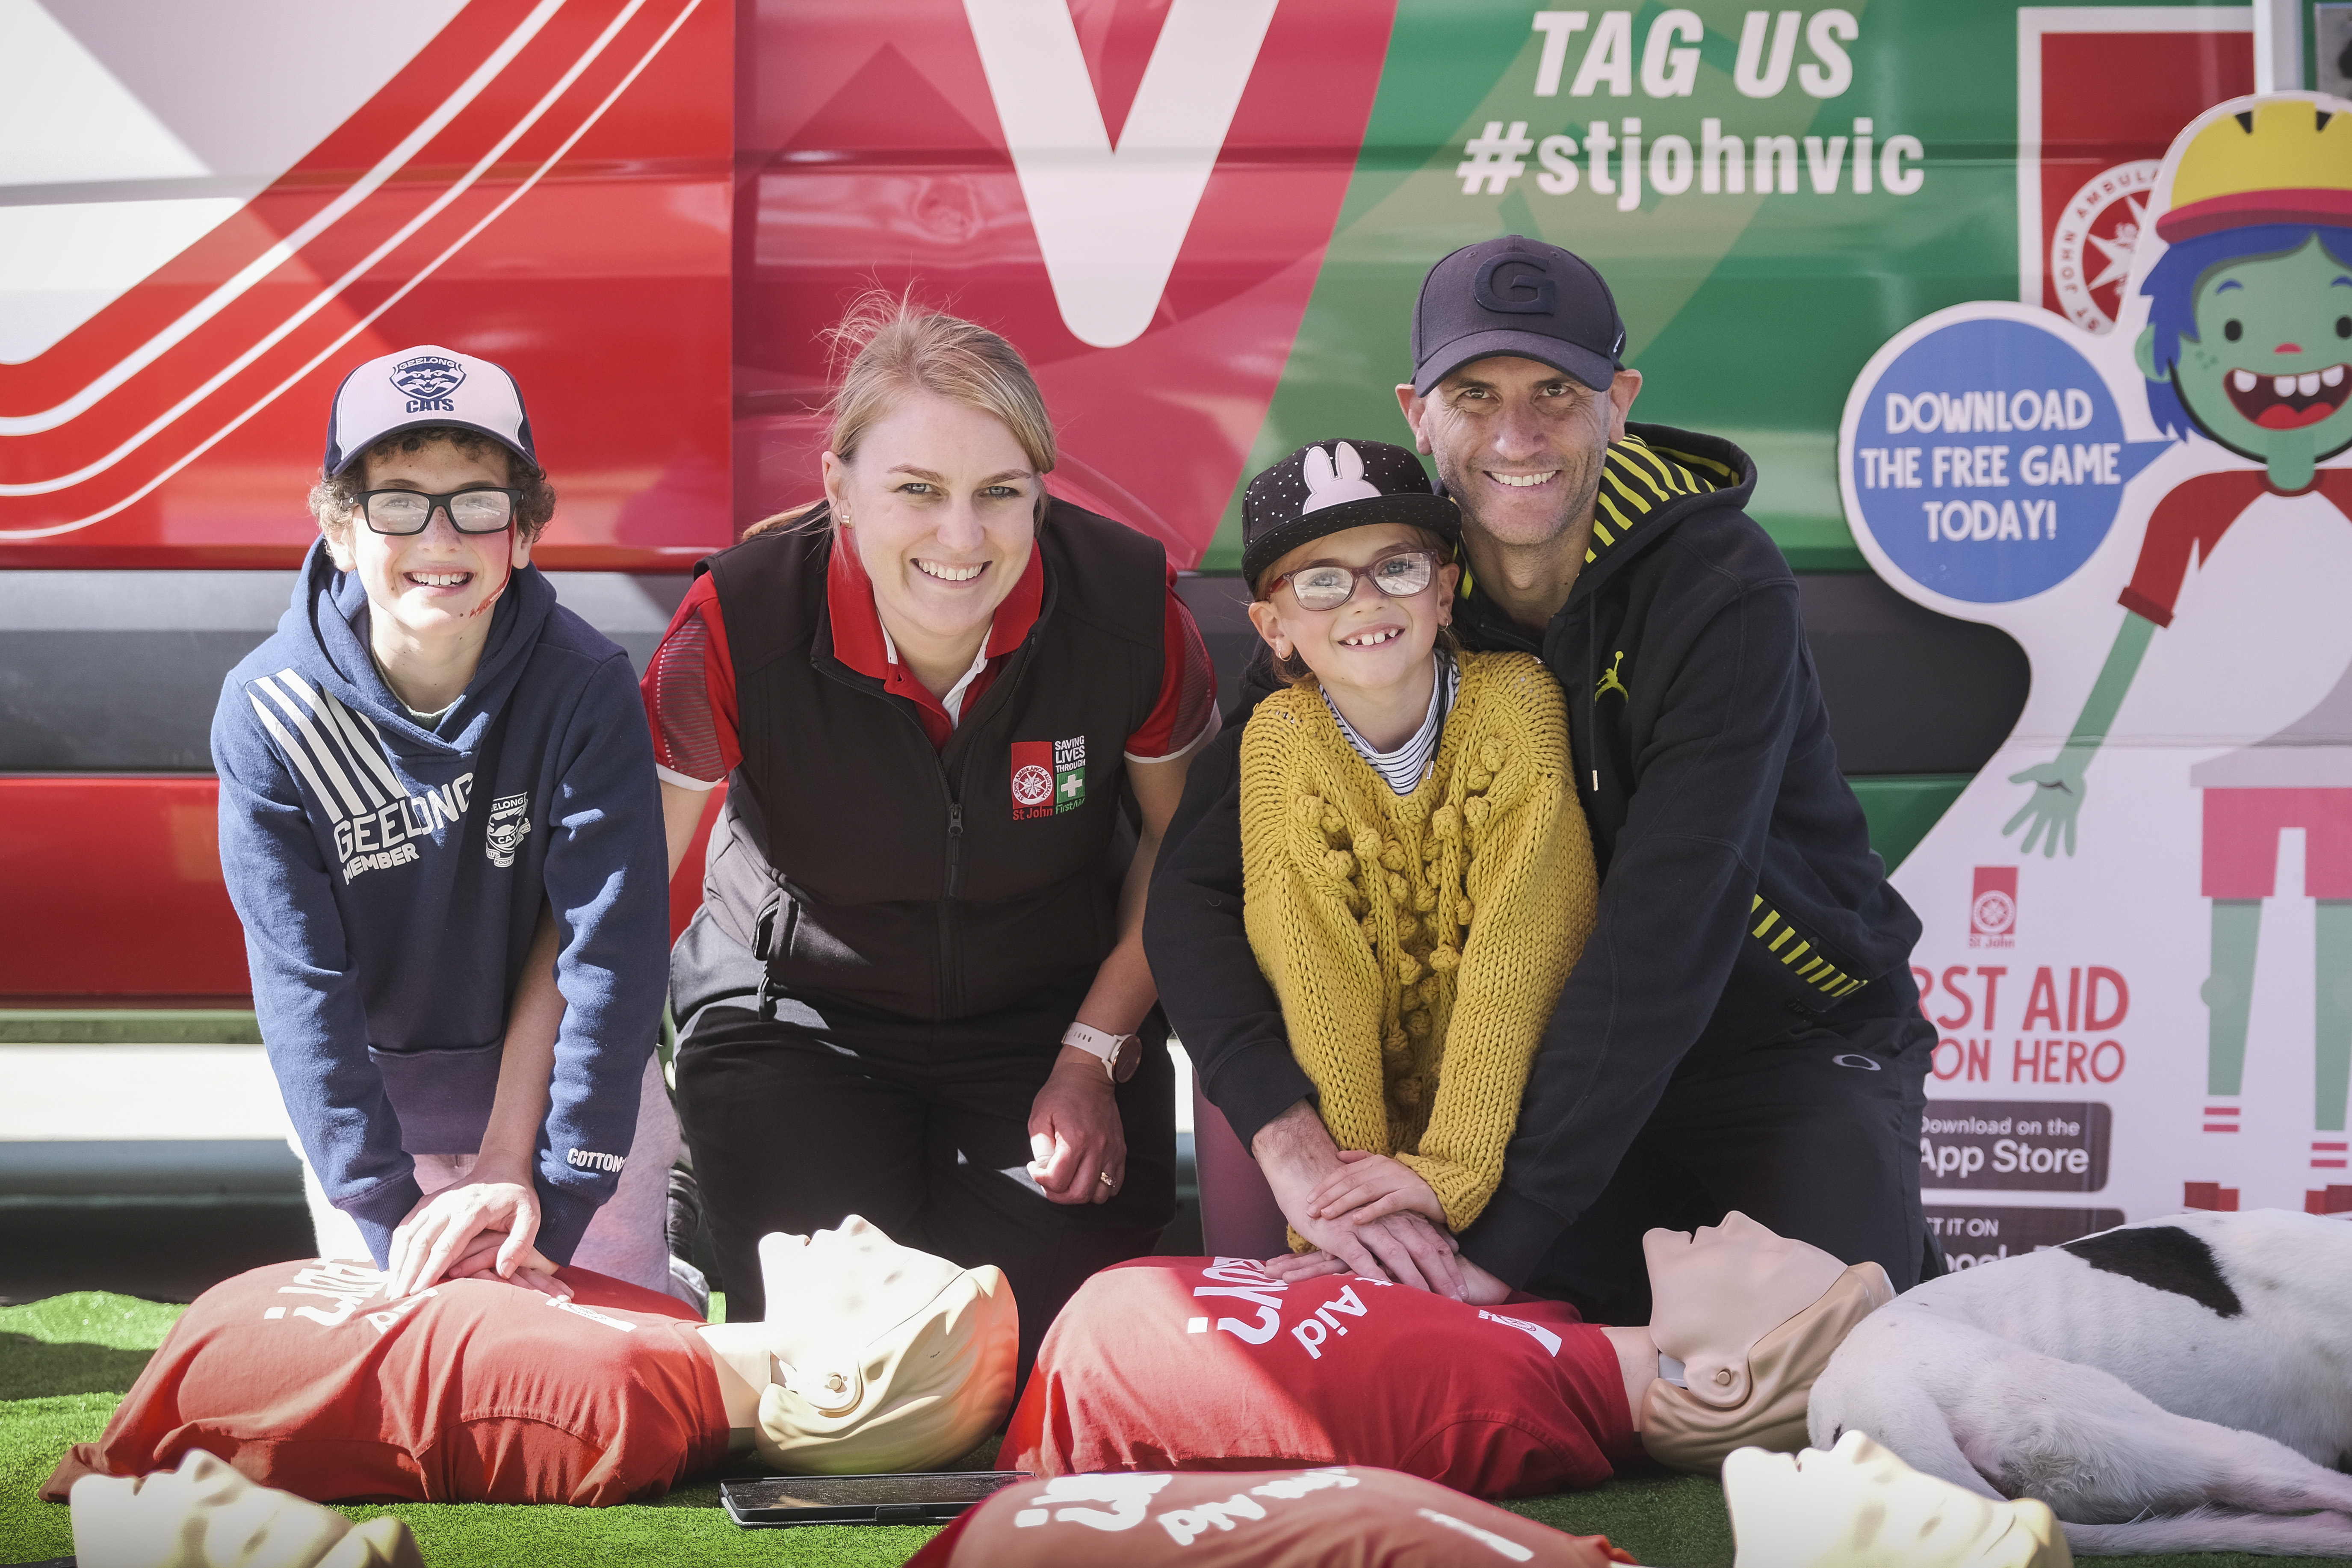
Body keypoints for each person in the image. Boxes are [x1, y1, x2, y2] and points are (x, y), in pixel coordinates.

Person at [1147, 236, 1933, 1319]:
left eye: (1554, 393)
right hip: (1515, 1079)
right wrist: (1287, 1138)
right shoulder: (1380, 587)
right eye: (1473, 394)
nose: (1515, 436)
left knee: (1818, 1360)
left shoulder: (1717, 582)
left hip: (1772, 1042)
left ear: (1618, 400)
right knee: (1462, 1351)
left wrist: (1507, 1235)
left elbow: (1669, 923)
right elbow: (1193, 888)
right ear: (1416, 412)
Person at [644, 300, 1219, 1373]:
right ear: (838, 491)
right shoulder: (735, 622)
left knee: (1029, 1359)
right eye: (916, 490)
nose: (963, 537)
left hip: (1045, 1021)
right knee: (847, 1369)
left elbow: (1179, 851)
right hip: (800, 1016)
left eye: (1000, 493)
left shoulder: (1131, 612)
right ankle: (713, 1169)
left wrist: (1091, 1056)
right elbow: (625, 886)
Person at [210, 345, 681, 1304]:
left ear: (527, 530)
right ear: (341, 529)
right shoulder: (269, 709)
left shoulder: (583, 685)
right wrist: (389, 1219)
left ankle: (658, 1286)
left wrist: (560, 1189)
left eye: (477, 499)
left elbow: (610, 953)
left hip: (569, 1114)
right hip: (380, 1132)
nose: (440, 535)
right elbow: (303, 993)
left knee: (612, 1372)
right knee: (400, 1391)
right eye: (397, 500)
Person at [1227, 437, 1595, 1248]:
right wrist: (1358, 1215)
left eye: (1398, 568)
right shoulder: (1279, 744)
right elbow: (1317, 983)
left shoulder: (1520, 710)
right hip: (1362, 1161)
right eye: (1322, 582)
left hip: (1524, 1141)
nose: (1365, 602)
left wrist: (1451, 1174)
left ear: (1446, 593)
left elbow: (1519, 961)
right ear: (1273, 627)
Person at [41, 1217, 1017, 1506]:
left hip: (202, 1393)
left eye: (887, 1271)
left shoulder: (611, 1414)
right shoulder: (654, 1330)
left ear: (837, 1385)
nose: (860, 1225)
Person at [1004, 1211, 1891, 1491]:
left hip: (1084, 1411)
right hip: (1091, 1356)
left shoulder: (1506, 1420)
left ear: (1720, 1377)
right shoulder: (1548, 1331)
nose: (1742, 1222)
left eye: (1771, 1256)